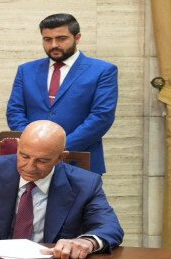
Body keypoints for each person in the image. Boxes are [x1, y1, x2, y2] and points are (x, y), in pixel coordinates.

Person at [0, 120, 123, 259]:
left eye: (42, 161)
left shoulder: (85, 184)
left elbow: (110, 227)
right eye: (24, 156)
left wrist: (87, 241)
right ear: (18, 147)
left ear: (60, 158)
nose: (29, 167)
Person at [6, 13, 118, 174]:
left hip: (80, 160)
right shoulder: (26, 70)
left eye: (61, 39)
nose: (54, 45)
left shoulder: (102, 71)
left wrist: (56, 148)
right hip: (32, 163)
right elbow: (15, 111)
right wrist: (34, 147)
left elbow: (101, 116)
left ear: (77, 38)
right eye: (47, 39)